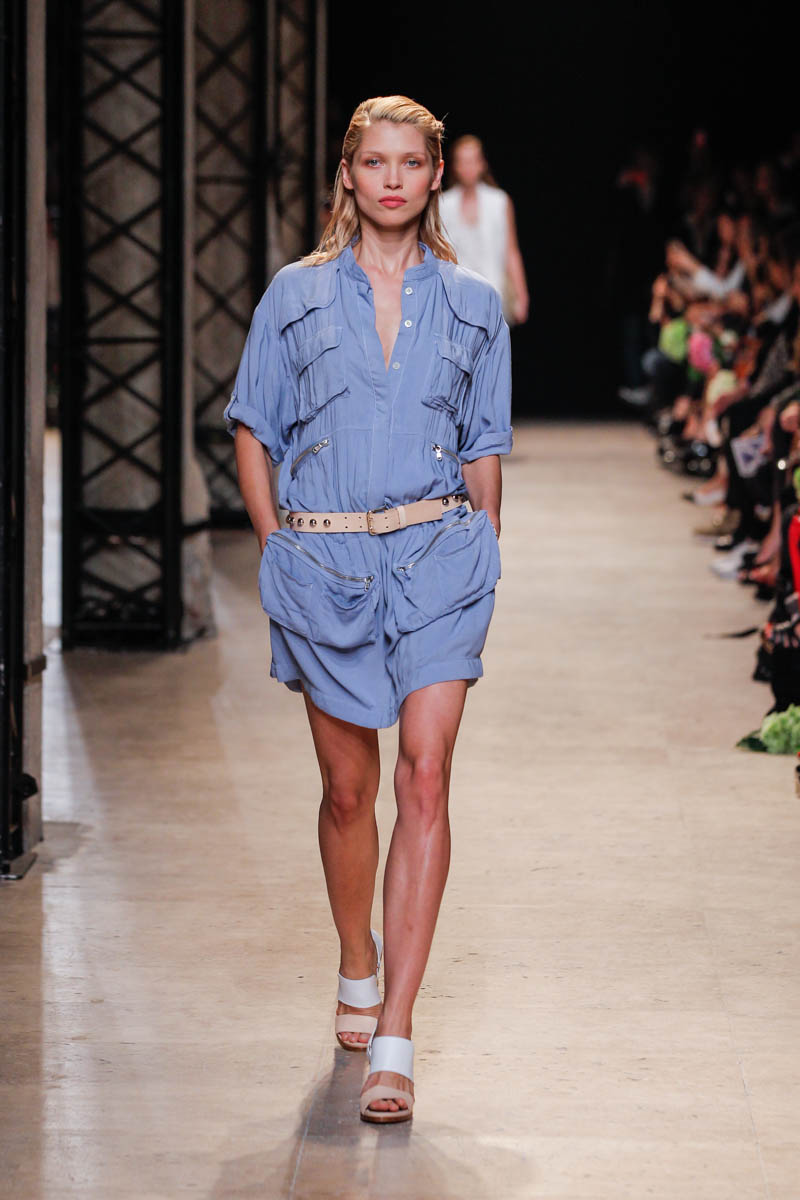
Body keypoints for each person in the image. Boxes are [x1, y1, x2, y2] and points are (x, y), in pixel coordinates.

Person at [223, 95, 513, 1124]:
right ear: (347, 174)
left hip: (439, 557)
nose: (393, 179)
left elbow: (484, 442)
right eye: (375, 162)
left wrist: (485, 550)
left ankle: (395, 1032)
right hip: (327, 562)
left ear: (433, 176)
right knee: (349, 793)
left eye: (410, 163)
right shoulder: (294, 296)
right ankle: (357, 956)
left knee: (425, 775)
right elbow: (253, 426)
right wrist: (276, 545)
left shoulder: (473, 304)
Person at [439, 134, 529, 325]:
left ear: (482, 164)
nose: (468, 167)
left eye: (473, 161)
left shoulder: (499, 201)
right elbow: (439, 254)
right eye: (463, 161)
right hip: (456, 298)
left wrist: (521, 294)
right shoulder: (443, 204)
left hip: (493, 292)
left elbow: (510, 250)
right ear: (455, 166)